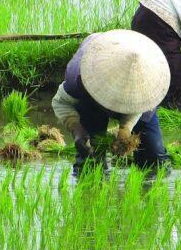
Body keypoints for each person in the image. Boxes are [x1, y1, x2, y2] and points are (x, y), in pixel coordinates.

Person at [51, 29, 171, 176]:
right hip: (91, 103)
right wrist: (76, 129)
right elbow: (60, 102)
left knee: (154, 161)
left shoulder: (148, 82)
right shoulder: (79, 78)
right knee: (90, 161)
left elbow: (138, 107)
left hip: (141, 82)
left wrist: (126, 128)